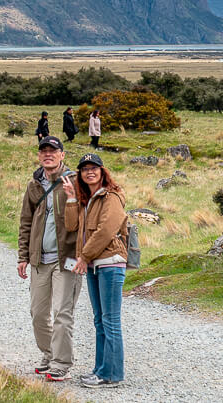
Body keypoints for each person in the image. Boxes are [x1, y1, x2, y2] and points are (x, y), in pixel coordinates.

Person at [17, 136, 83, 382]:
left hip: (66, 260)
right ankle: (49, 353)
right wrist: (23, 256)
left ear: (62, 155)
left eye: (53, 151)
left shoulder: (75, 182)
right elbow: (25, 221)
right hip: (39, 260)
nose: (48, 154)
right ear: (39, 156)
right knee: (38, 313)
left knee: (62, 313)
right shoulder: (34, 184)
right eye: (43, 151)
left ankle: (61, 363)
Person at [72, 152, 127, 389]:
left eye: (94, 168)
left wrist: (84, 256)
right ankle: (101, 369)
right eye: (85, 169)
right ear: (80, 175)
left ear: (103, 172)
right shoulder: (89, 199)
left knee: (110, 320)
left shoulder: (111, 196)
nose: (89, 172)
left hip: (110, 263)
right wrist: (70, 199)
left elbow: (106, 230)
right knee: (99, 320)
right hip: (96, 264)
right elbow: (71, 226)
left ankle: (112, 375)